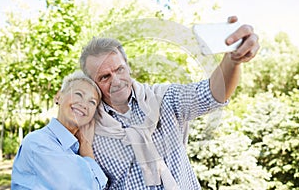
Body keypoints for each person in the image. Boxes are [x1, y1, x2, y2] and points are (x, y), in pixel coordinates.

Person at [79, 16, 259, 189]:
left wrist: (233, 61)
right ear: (92, 83)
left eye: (120, 69)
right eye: (105, 77)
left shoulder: (163, 99)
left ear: (128, 66)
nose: (116, 80)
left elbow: (211, 94)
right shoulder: (88, 129)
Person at [11, 70, 108, 189]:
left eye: (92, 102)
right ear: (58, 97)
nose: (84, 104)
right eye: (78, 94)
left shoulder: (76, 149)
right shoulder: (38, 143)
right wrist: (88, 154)